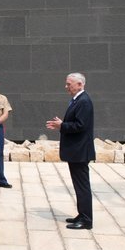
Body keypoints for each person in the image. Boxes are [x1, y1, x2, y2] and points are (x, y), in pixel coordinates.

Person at [46, 72, 95, 230]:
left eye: (69, 84)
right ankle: (82, 214)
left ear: (80, 84)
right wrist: (62, 124)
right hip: (76, 152)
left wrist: (62, 126)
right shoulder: (78, 100)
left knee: (82, 187)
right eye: (66, 84)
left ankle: (86, 220)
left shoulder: (84, 101)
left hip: (80, 152)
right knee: (78, 186)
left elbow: (80, 126)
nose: (66, 87)